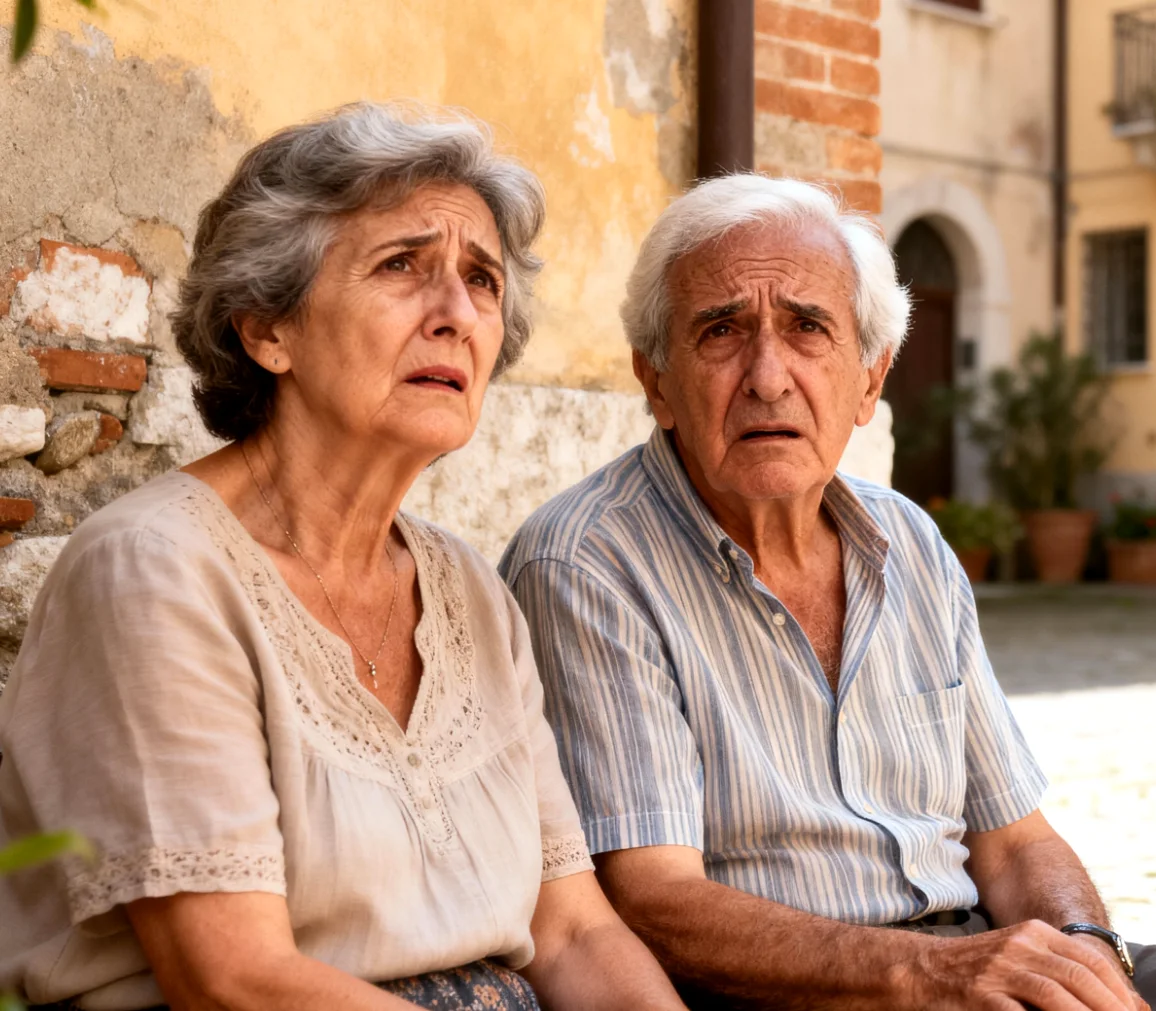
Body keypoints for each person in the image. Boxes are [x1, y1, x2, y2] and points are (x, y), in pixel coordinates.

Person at [501, 174, 1156, 1011]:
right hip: (804, 991)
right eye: (721, 330)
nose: (769, 375)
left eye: (810, 329)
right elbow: (655, 901)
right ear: (655, 380)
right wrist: (925, 971)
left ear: (870, 381)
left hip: (977, 962)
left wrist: (1089, 957)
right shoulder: (587, 561)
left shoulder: (912, 542)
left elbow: (1015, 841)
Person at [0, 104, 685, 1011]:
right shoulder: (153, 571)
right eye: (403, 265)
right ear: (265, 327)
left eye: (481, 280)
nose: (457, 315)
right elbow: (233, 979)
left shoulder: (470, 590)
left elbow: (574, 929)